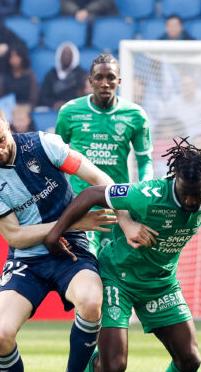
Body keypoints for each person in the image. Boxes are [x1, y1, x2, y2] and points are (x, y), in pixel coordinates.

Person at [42, 138, 201, 372]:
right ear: (175, 180)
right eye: (187, 195)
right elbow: (91, 194)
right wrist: (54, 235)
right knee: (112, 366)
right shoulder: (147, 195)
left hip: (161, 284)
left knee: (190, 360)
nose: (192, 202)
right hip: (119, 278)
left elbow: (198, 197)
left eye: (197, 196)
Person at [0, 103, 125, 372]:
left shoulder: (43, 145)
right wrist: (74, 220)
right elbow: (16, 236)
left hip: (72, 247)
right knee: (1, 333)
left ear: (9, 128)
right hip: (28, 259)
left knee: (91, 301)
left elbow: (97, 178)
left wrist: (122, 214)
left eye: (1, 139)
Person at [55, 54, 153, 258]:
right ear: (90, 81)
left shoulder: (135, 115)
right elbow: (55, 159)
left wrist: (144, 192)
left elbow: (145, 161)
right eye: (99, 78)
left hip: (117, 204)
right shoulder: (69, 112)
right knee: (88, 261)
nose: (105, 83)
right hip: (80, 204)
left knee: (112, 266)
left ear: (119, 81)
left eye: (110, 77)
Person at [39, 41, 86, 110]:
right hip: (52, 108)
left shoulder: (81, 74)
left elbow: (82, 96)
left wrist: (67, 104)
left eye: (68, 54)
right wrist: (54, 104)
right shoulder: (51, 73)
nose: (66, 56)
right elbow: (44, 96)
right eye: (64, 54)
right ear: (59, 55)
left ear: (74, 56)